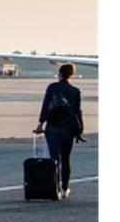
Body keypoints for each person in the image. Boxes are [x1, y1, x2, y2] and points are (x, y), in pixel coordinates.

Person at [34, 63, 84, 198]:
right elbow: (77, 112)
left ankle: (54, 187)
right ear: (71, 75)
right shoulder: (75, 91)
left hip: (52, 128)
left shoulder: (52, 87)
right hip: (68, 129)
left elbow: (45, 106)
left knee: (54, 159)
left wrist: (40, 124)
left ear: (59, 73)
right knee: (66, 159)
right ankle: (64, 188)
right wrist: (79, 130)